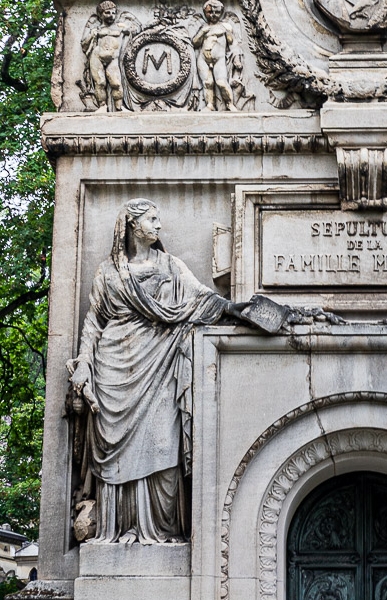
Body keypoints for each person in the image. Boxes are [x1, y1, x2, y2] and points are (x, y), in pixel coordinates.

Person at [67, 199, 294, 544]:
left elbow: (204, 299)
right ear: (132, 225)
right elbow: (93, 322)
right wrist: (84, 363)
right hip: (113, 370)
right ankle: (120, 531)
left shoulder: (171, 266)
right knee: (115, 462)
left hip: (161, 364)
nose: (158, 226)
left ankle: (161, 531)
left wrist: (240, 311)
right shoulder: (108, 272)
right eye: (152, 219)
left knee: (163, 448)